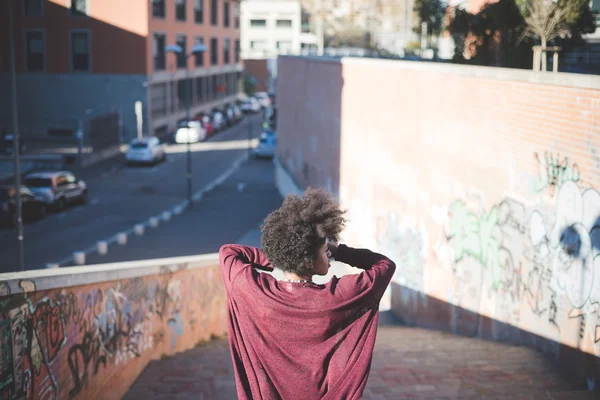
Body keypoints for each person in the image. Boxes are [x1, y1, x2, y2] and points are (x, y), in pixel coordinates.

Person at [219, 188, 396, 400]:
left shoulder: (255, 291)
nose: (329, 253)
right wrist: (340, 251)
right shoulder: (339, 296)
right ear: (307, 260)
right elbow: (385, 265)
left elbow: (228, 253)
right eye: (325, 250)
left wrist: (281, 255)